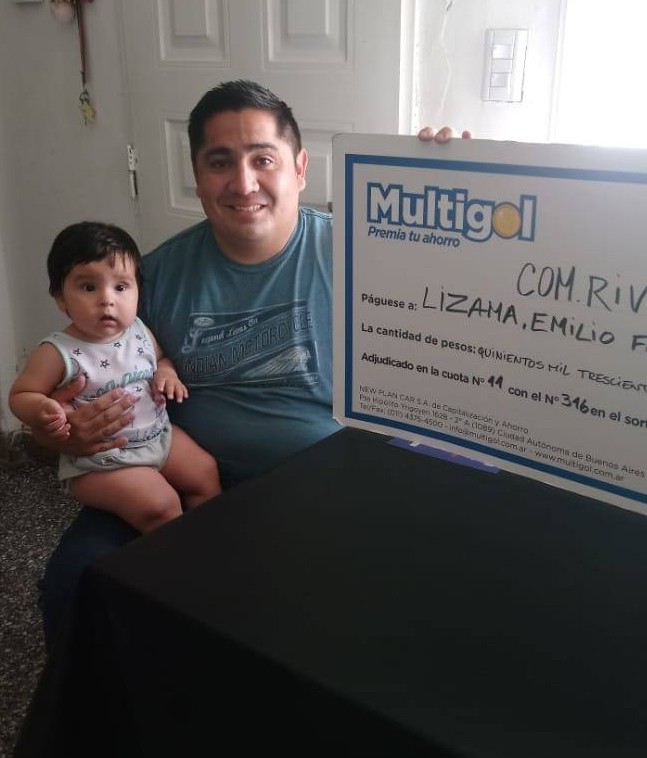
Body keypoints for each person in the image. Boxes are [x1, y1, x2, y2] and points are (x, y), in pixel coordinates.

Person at [30, 79, 468, 647]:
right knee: (74, 583)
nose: (243, 183)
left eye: (263, 159)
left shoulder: (363, 251)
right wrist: (65, 432)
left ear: (300, 168)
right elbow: (61, 397)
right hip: (176, 481)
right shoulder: (146, 281)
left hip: (330, 493)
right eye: (220, 163)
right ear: (196, 176)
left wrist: (459, 182)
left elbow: (467, 295)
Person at [8, 222, 221, 533]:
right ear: (61, 297)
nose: (107, 299)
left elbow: (160, 359)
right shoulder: (58, 352)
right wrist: (42, 409)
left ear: (137, 292)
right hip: (101, 462)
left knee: (205, 472)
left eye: (121, 287)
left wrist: (166, 373)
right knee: (160, 505)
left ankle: (212, 540)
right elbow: (20, 395)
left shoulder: (138, 329)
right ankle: (179, 559)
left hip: (158, 436)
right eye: (88, 287)